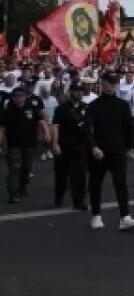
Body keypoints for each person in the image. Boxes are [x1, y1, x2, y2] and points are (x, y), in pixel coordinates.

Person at [83, 73, 134, 231]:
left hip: (118, 150)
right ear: (103, 84)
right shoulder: (94, 105)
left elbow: (129, 127)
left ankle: (125, 217)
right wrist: (93, 146)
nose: (112, 85)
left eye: (115, 83)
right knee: (96, 184)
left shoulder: (123, 105)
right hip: (99, 151)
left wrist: (130, 148)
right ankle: (95, 216)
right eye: (109, 83)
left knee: (121, 183)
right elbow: (87, 128)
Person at [0, 85, 47, 203]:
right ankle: (13, 192)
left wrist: (46, 133)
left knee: (27, 168)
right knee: (15, 169)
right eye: (15, 96)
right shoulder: (7, 112)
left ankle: (22, 186)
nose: (18, 98)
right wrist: (2, 143)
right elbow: (2, 128)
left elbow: (41, 121)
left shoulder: (31, 109)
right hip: (13, 145)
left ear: (26, 97)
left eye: (21, 96)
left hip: (29, 144)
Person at [50, 82, 89, 210]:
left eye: (81, 91)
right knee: (61, 175)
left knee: (80, 175)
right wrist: (55, 143)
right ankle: (59, 196)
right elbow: (56, 126)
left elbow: (90, 127)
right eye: (76, 90)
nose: (79, 93)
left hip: (80, 146)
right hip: (64, 146)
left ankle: (79, 201)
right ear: (70, 92)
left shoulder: (86, 107)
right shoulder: (61, 109)